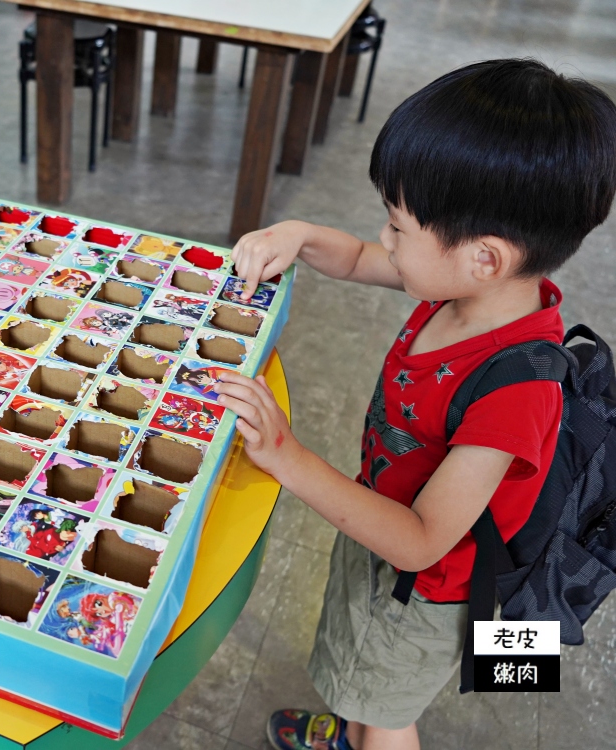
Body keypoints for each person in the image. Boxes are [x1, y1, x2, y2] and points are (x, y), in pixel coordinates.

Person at [216, 59, 616, 750]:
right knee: (358, 676)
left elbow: (421, 539)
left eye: (398, 227)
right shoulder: (463, 288)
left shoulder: (514, 390)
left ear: (483, 258)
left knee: (386, 707)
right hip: (381, 541)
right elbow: (350, 259)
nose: (384, 242)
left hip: (424, 591)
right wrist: (299, 236)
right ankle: (344, 729)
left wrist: (286, 456)